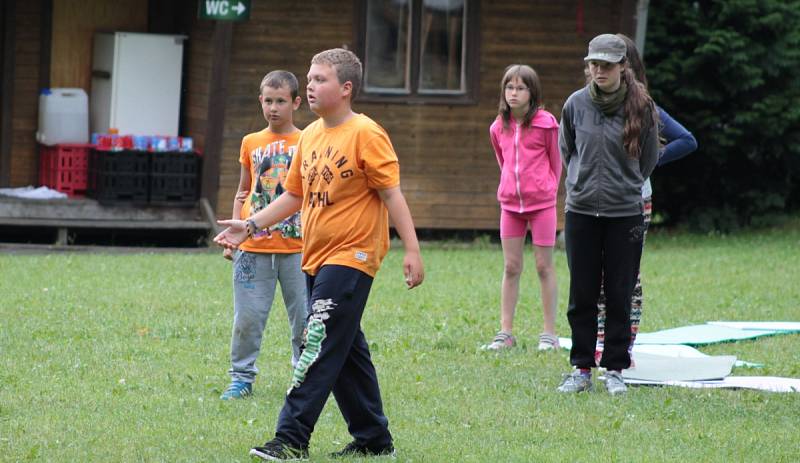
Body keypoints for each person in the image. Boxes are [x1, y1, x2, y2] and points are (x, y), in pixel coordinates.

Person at [214, 48, 424, 460]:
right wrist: (251, 224)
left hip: (354, 256)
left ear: (345, 89)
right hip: (316, 256)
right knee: (345, 348)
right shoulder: (309, 136)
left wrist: (412, 248)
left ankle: (291, 438)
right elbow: (295, 194)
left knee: (318, 341)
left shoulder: (366, 133)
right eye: (309, 79)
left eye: (320, 79)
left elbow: (391, 194)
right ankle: (373, 439)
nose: (309, 85)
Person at [557, 34, 659, 395]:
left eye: (605, 65)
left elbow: (649, 158)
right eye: (593, 64)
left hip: (625, 213)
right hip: (582, 211)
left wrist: (624, 184)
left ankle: (614, 368)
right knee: (582, 293)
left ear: (621, 67)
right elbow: (566, 151)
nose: (598, 70)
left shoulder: (642, 107)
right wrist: (581, 185)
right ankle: (581, 368)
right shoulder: (575, 104)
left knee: (619, 291)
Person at [594, 34, 698, 365]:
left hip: (636, 202)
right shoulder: (591, 103)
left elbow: (687, 140)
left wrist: (648, 161)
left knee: (627, 275)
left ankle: (624, 345)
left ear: (628, 66)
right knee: (596, 274)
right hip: (597, 202)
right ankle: (599, 343)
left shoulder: (645, 106)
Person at [218, 70, 308, 401]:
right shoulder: (251, 143)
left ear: (296, 102)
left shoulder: (308, 140)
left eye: (281, 101)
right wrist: (233, 234)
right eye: (268, 101)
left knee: (305, 319)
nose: (273, 108)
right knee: (248, 318)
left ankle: (303, 379)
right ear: (260, 101)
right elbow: (244, 192)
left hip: (299, 248)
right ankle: (241, 377)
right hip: (253, 248)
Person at [482, 64, 561, 352]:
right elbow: (503, 162)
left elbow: (556, 162)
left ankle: (549, 334)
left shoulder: (546, 123)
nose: (514, 93)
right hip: (510, 206)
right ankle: (506, 333)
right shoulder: (497, 127)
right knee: (511, 266)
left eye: (520, 88)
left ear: (532, 92)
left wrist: (547, 188)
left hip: (542, 205)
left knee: (543, 266)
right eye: (509, 87)